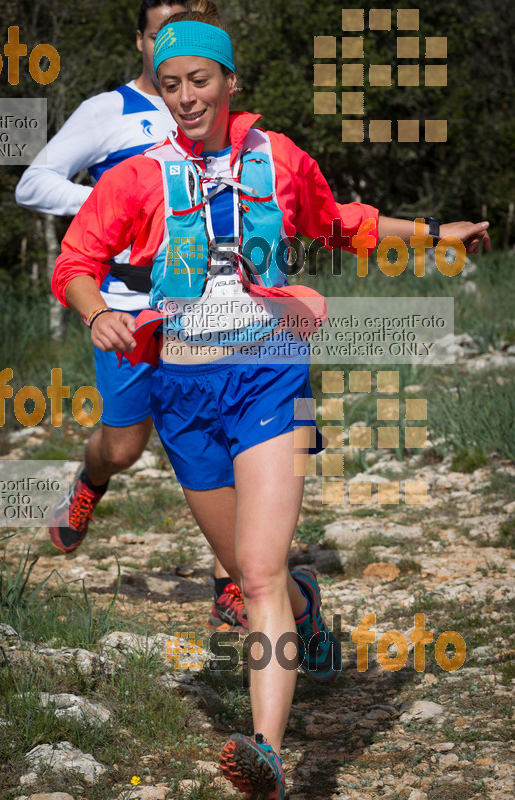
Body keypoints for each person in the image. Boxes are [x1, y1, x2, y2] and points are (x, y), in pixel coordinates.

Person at [51, 1, 491, 796]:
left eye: (201, 80)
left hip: (268, 375)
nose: (186, 97)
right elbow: (77, 262)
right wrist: (100, 311)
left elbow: (340, 223)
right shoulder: (135, 177)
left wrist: (433, 232)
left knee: (254, 576)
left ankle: (266, 753)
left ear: (229, 79)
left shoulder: (279, 159)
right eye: (171, 83)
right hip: (180, 390)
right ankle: (306, 609)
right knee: (253, 572)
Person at [15, 0, 247, 632]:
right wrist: (116, 203)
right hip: (124, 303)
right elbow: (32, 185)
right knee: (123, 447)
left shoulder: (209, 104)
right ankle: (91, 482)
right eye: (160, 35)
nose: (173, 46)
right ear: (141, 40)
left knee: (222, 437)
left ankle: (234, 582)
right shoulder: (106, 112)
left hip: (203, 307)